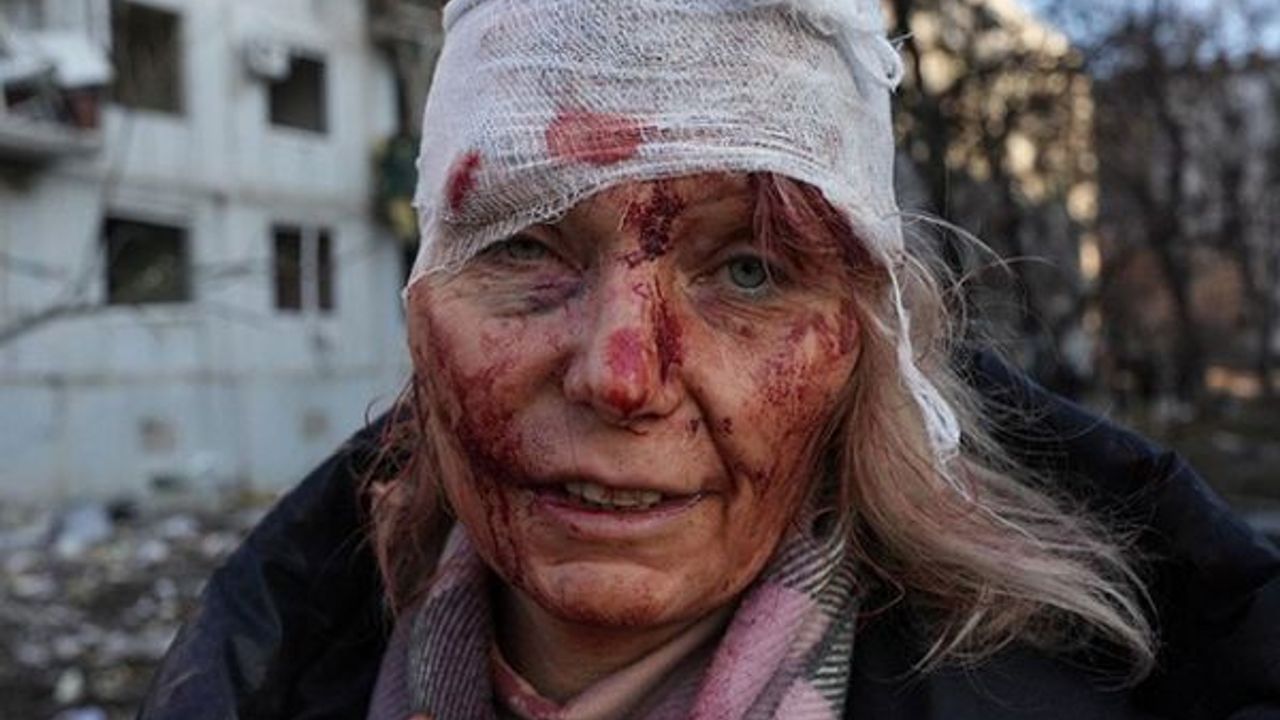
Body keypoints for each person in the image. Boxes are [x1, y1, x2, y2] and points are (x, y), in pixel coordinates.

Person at [140, 1, 1280, 718]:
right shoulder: (267, 679)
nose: (619, 375)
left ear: (862, 349)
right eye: (526, 247)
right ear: (420, 303)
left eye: (748, 270)